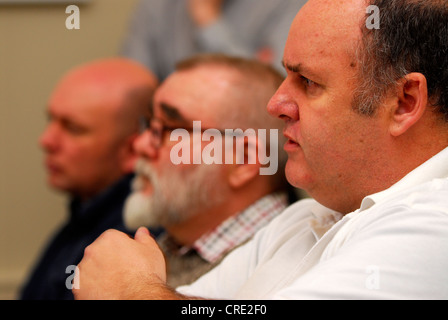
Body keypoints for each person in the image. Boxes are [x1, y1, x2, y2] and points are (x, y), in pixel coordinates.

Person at [74, 0, 448, 300]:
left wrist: (129, 290)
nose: (276, 104)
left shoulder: (435, 226)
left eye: (308, 81)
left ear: (403, 102)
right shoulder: (305, 218)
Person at [122, 54, 295, 288]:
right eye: (150, 123)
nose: (140, 144)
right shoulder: (163, 247)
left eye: (169, 128)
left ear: (243, 161)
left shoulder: (284, 274)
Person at [20, 58, 159, 300]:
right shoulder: (86, 209)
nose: (46, 141)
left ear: (132, 150)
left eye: (72, 128)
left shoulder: (133, 240)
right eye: (50, 120)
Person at [120, 0, 308, 80]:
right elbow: (133, 82)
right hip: (167, 130)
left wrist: (208, 21)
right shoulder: (158, 6)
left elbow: (277, 88)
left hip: (244, 137)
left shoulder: (289, 4)